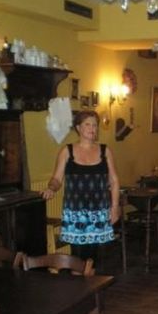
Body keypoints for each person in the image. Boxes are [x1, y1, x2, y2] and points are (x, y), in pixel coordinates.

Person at [41, 110, 120, 266]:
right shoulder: (67, 151)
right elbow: (57, 179)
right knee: (77, 258)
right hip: (75, 214)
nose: (92, 128)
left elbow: (114, 181)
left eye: (95, 125)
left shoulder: (105, 151)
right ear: (78, 128)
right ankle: (78, 281)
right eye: (87, 124)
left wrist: (115, 207)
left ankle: (92, 280)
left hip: (99, 213)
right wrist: (51, 188)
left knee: (95, 258)